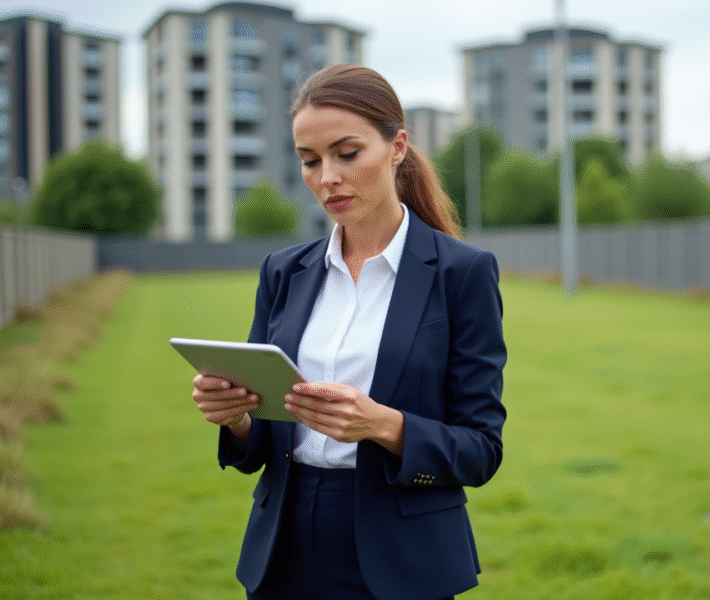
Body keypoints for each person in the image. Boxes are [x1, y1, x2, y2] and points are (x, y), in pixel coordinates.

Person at [191, 64, 506, 600]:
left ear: (397, 147)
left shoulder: (463, 273)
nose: (327, 177)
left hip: (405, 558)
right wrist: (238, 417)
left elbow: (480, 448)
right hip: (283, 551)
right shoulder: (282, 272)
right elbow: (266, 438)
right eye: (309, 161)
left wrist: (385, 425)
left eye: (346, 153)